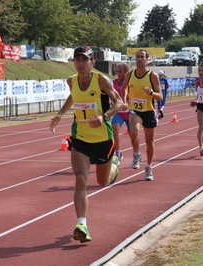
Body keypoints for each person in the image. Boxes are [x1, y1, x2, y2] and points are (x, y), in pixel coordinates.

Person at [49, 46, 123, 243]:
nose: (80, 64)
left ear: (92, 63)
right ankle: (82, 224)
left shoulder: (100, 80)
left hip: (102, 139)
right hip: (81, 138)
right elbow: (73, 96)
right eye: (77, 60)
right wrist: (60, 115)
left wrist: (104, 116)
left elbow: (119, 103)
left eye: (84, 60)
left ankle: (114, 163)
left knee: (102, 182)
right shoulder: (71, 81)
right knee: (80, 179)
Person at [121, 49, 163, 181]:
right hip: (135, 110)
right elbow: (123, 88)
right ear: (135, 59)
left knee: (150, 142)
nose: (139, 59)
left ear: (147, 60)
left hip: (149, 111)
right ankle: (136, 154)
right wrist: (124, 100)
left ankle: (149, 167)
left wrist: (151, 93)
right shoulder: (129, 74)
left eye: (142, 57)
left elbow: (160, 97)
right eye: (137, 57)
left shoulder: (152, 76)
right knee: (134, 132)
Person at [112, 63, 130, 162]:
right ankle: (117, 152)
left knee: (133, 135)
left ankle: (136, 153)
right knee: (114, 130)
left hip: (130, 113)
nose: (118, 74)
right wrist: (113, 101)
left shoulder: (131, 84)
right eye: (117, 71)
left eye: (120, 72)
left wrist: (127, 102)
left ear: (126, 72)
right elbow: (112, 95)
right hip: (119, 112)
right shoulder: (115, 82)